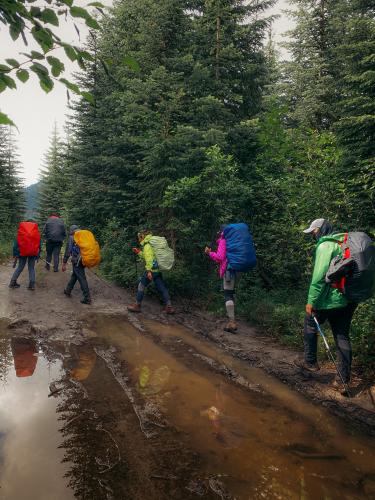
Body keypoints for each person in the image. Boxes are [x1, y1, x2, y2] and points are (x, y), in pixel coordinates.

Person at [295, 218, 358, 392]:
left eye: (314, 231)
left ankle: (310, 362)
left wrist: (311, 301)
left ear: (321, 229)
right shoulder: (346, 243)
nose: (313, 235)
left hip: (329, 300)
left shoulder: (325, 246)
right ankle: (343, 380)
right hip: (348, 299)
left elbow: (319, 278)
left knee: (310, 322)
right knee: (342, 336)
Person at [127, 230, 174, 314]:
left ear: (142, 237)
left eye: (139, 237)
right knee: (161, 287)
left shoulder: (147, 245)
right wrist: (138, 252)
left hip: (151, 270)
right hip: (157, 270)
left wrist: (148, 271)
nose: (139, 239)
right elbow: (147, 256)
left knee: (141, 285)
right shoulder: (150, 244)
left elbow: (149, 259)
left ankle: (137, 305)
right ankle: (169, 307)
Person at [205, 227, 238, 333]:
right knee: (232, 293)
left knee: (228, 294)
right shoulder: (234, 241)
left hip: (228, 271)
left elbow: (220, 257)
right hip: (236, 270)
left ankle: (232, 322)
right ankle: (231, 320)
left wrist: (210, 253)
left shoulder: (224, 241)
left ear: (222, 233)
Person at [62, 225, 91, 304]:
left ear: (71, 231)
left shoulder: (73, 237)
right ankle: (68, 290)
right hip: (84, 258)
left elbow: (68, 251)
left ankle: (87, 298)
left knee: (81, 278)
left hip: (77, 260)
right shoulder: (83, 235)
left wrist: (64, 263)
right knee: (75, 274)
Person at [9, 221, 41, 291]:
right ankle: (32, 285)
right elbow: (39, 244)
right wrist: (38, 254)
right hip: (33, 253)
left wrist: (15, 254)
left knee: (20, 267)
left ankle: (12, 282)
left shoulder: (21, 233)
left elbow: (15, 245)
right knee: (31, 268)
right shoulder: (36, 233)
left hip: (22, 252)